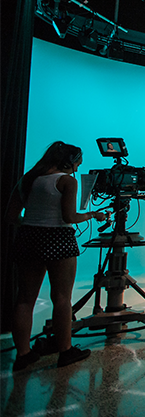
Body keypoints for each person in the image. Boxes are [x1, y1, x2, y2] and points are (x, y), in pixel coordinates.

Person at [4, 141, 108, 371]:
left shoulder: (27, 180)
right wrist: (93, 214)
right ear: (69, 161)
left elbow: (11, 215)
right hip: (59, 240)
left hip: (28, 238)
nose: (78, 166)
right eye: (77, 161)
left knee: (24, 299)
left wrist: (34, 226)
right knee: (61, 298)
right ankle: (65, 351)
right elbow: (70, 217)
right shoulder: (66, 181)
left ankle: (23, 355)